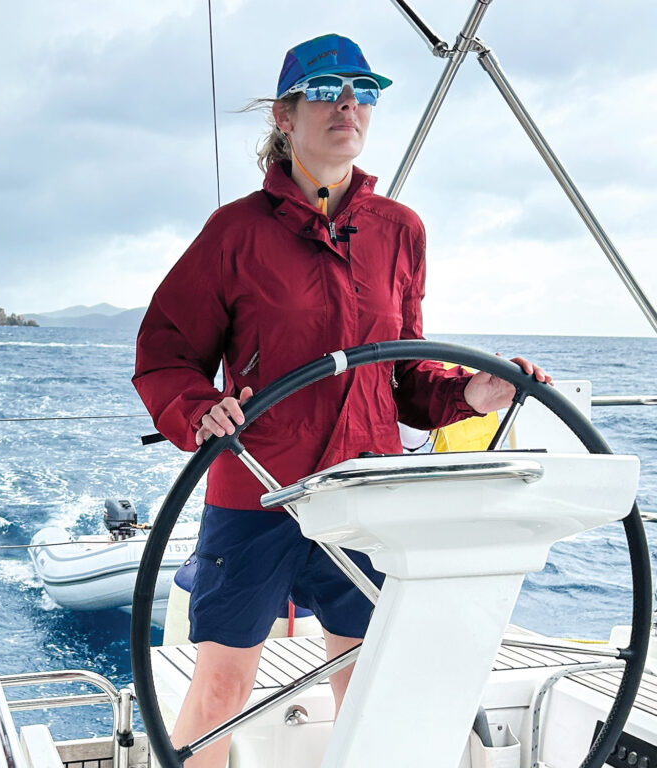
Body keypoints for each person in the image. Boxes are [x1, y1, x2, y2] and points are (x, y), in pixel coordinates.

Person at [132, 33, 550, 767]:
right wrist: (200, 406)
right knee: (223, 688)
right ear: (286, 117)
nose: (349, 105)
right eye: (328, 90)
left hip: (367, 490)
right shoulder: (234, 233)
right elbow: (166, 352)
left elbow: (407, 376)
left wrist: (474, 393)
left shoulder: (401, 232)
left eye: (364, 91)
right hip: (258, 494)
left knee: (366, 681)